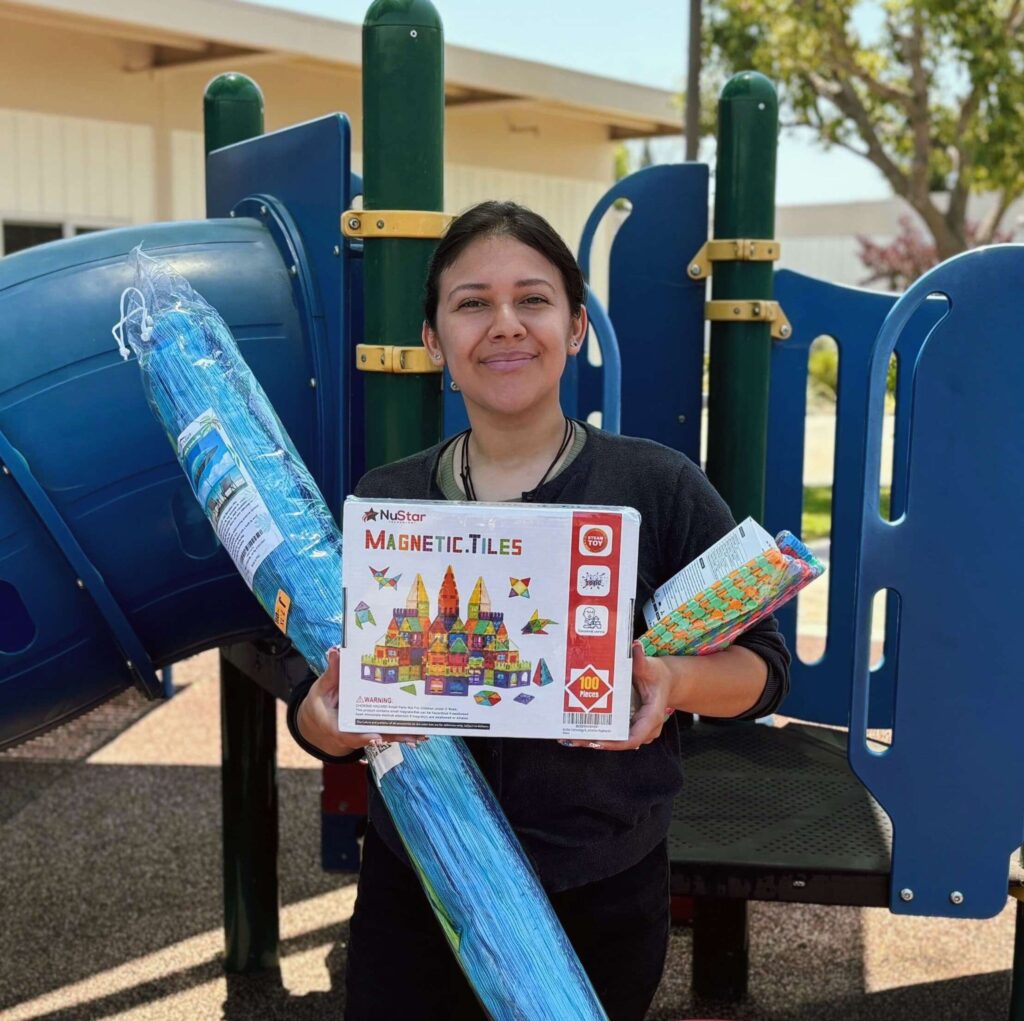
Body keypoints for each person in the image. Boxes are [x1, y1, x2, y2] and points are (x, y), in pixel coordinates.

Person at [287, 200, 790, 1020]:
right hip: (419, 879)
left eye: (533, 299)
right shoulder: (388, 502)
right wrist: (326, 720)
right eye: (472, 302)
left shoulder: (653, 486)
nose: (506, 325)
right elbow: (312, 698)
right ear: (433, 341)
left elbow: (766, 670)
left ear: (577, 326)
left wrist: (671, 680)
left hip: (601, 885)